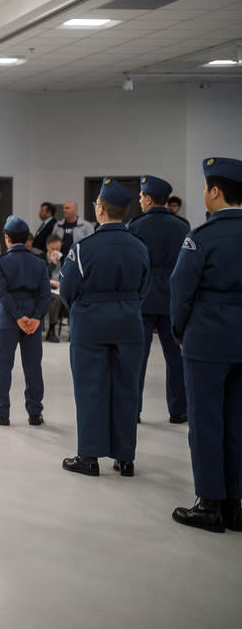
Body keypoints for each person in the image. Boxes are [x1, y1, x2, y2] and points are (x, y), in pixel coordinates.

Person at [169, 157, 242, 532]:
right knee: (238, 422)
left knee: (206, 421)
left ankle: (210, 504)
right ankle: (238, 504)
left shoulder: (201, 237)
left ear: (215, 191)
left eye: (204, 188)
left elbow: (181, 293)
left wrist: (180, 332)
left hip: (208, 340)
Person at [60, 178, 149, 478]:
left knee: (90, 390)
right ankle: (125, 459)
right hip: (129, 323)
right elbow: (144, 287)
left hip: (91, 324)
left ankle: (88, 456)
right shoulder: (139, 246)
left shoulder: (84, 248)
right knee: (127, 389)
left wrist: (83, 311)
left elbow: (67, 289)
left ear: (99, 209)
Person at [127, 175, 189, 423]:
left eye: (141, 196)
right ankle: (179, 410)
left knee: (136, 359)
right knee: (176, 358)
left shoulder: (136, 225)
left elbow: (132, 263)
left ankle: (135, 409)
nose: (139, 200)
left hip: (143, 297)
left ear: (149, 198)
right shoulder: (182, 226)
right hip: (172, 298)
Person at [0, 216, 50, 427]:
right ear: (27, 239)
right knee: (33, 366)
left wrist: (19, 316)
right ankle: (35, 413)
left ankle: (1, 411)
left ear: (7, 238)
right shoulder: (39, 263)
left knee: (4, 365)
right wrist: (36, 317)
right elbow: (45, 294)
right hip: (33, 321)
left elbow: (2, 293)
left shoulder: (0, 262)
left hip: (9, 319)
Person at [43, 234, 66, 342]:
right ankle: (51, 330)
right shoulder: (41, 257)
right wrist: (52, 264)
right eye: (53, 249)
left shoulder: (64, 258)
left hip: (60, 288)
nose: (56, 251)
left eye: (58, 249)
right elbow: (40, 277)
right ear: (47, 246)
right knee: (56, 298)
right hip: (45, 288)